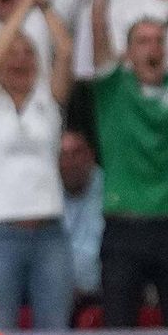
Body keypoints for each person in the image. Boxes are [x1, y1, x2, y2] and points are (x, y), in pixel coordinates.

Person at [0, 0, 75, 331]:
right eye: (13, 53)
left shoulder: (49, 101)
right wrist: (22, 7)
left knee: (55, 330)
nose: (19, 58)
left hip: (49, 231)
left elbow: (66, 50)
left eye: (28, 52)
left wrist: (43, 6)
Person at [90, 0, 168, 328]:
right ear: (127, 53)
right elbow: (98, 26)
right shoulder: (113, 90)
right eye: (143, 41)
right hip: (124, 229)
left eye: (159, 41)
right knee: (116, 333)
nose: (153, 48)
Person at [59, 131, 104, 312]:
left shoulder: (109, 189)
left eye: (76, 153)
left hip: (101, 294)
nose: (70, 162)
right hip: (57, 294)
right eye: (63, 155)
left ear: (90, 156)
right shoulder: (46, 193)